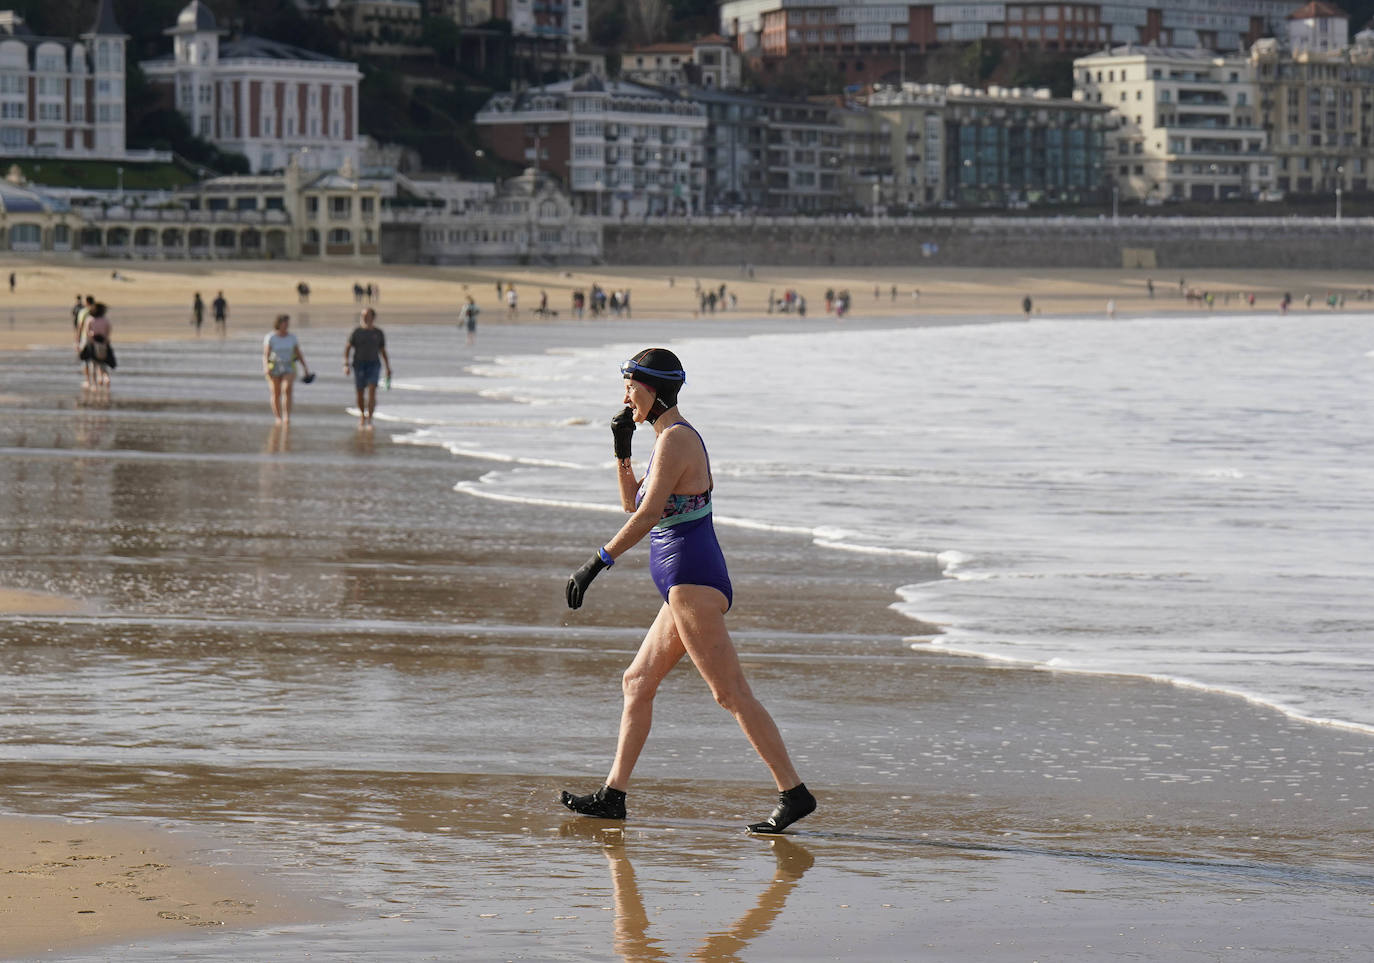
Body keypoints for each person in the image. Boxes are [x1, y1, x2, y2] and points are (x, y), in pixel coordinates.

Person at [561, 348, 816, 835]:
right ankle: (613, 795)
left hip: (693, 581)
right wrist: (621, 450)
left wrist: (596, 563)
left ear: (654, 390)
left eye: (632, 386)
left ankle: (794, 792)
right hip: (680, 584)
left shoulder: (677, 439)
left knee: (729, 693)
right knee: (637, 682)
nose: (626, 396)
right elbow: (630, 502)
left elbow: (649, 513)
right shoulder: (663, 440)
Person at [344, 307, 391, 428]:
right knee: (360, 393)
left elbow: (382, 351)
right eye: (363, 315)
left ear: (373, 318)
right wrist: (346, 364)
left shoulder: (378, 333)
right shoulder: (357, 332)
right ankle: (362, 415)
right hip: (359, 365)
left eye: (367, 316)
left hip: (374, 364)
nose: (364, 318)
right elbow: (348, 348)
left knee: (372, 390)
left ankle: (369, 419)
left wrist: (388, 367)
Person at [262, 313, 311, 423]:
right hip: (274, 366)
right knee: (276, 392)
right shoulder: (271, 337)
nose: (286, 325)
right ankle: (278, 417)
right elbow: (266, 354)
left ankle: (287, 416)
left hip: (289, 366)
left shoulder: (292, 337)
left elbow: (298, 353)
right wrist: (266, 367)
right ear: (279, 323)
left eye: (287, 323)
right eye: (284, 322)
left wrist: (305, 368)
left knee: (287, 388)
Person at [76, 301, 115, 388]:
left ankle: (93, 383)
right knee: (103, 362)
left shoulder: (90, 319)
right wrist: (105, 340)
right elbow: (108, 330)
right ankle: (105, 377)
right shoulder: (105, 320)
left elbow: (87, 332)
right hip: (103, 343)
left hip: (93, 343)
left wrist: (90, 341)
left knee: (92, 363)